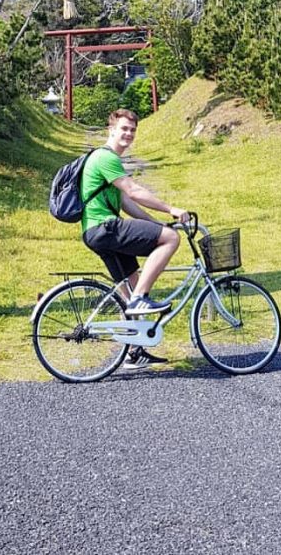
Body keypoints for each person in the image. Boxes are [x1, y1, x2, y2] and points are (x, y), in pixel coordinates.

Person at [80, 107, 190, 369]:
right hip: (105, 228)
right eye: (123, 129)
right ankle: (142, 297)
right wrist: (170, 209)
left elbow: (127, 202)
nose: (128, 134)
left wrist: (154, 223)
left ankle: (134, 351)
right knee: (171, 240)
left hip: (95, 232)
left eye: (132, 130)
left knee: (130, 288)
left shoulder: (106, 160)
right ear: (111, 130)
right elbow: (135, 190)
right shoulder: (105, 158)